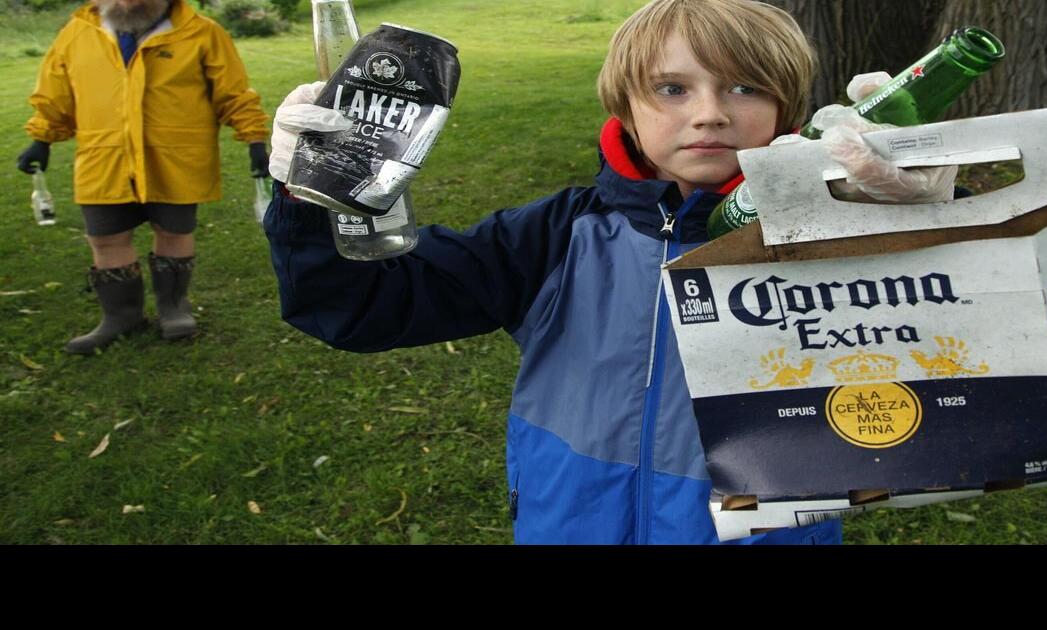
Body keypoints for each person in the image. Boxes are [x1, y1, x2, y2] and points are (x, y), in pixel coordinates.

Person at [264, 0, 956, 544]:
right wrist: (315, 200)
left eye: (745, 87)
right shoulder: (555, 236)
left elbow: (952, 340)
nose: (710, 114)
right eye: (672, 88)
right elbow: (366, 306)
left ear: (788, 109)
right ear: (624, 104)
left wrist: (922, 221)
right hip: (570, 523)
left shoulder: (822, 230)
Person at [17, 0, 270, 354]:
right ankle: (121, 316)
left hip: (175, 157)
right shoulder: (77, 33)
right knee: (106, 238)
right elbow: (56, 92)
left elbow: (234, 92)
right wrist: (40, 139)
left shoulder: (201, 32)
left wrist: (254, 139)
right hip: (104, 157)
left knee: (173, 232)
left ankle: (174, 308)